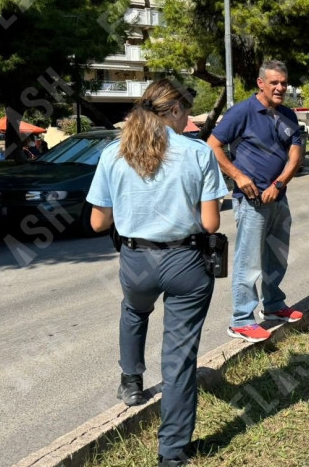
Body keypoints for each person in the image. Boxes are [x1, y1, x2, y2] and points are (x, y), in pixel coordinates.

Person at [86, 79, 228, 467]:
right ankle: (171, 453)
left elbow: (99, 222)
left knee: (134, 311)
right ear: (177, 110)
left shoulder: (114, 153)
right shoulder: (198, 153)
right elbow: (211, 223)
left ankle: (131, 382)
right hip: (185, 262)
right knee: (179, 357)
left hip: (136, 261)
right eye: (188, 114)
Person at [207, 59, 304, 343]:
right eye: (274, 82)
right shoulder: (243, 112)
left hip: (278, 197)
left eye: (284, 83)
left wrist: (279, 184)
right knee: (249, 262)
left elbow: (296, 155)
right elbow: (213, 145)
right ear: (260, 83)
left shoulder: (288, 115)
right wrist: (238, 177)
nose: (280, 88)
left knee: (276, 257)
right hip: (251, 201)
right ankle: (240, 319)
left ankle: (273, 306)